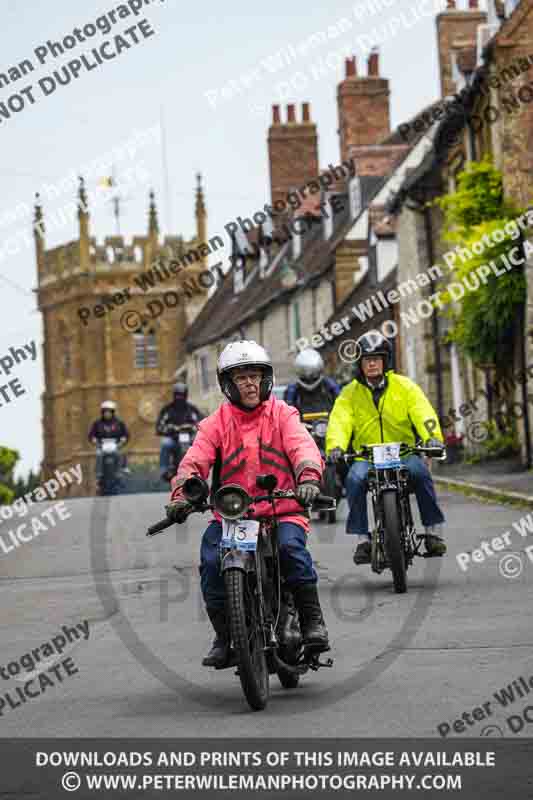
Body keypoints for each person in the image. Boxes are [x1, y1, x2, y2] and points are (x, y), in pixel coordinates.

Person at [168, 340, 329, 667]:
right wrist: (183, 494)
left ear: (265, 378)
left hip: (281, 509)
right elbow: (193, 462)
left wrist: (308, 477)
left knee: (291, 551)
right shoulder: (215, 423)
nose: (250, 383)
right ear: (228, 384)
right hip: (232, 516)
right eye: (241, 377)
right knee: (211, 561)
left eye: (255, 375)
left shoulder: (283, 414)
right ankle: (225, 636)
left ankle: (313, 621)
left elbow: (303, 447)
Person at [326, 332, 446, 565]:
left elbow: (424, 413)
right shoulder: (349, 393)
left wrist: (432, 437)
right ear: (359, 364)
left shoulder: (405, 387)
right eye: (366, 359)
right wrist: (335, 446)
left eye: (376, 358)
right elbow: (339, 421)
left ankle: (432, 533)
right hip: (367, 456)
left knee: (421, 473)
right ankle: (363, 540)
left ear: (386, 360)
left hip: (403, 453)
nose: (371, 363)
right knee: (353, 479)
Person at [156, 382, 204, 480]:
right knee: (165, 443)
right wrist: (171, 428)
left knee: (200, 445)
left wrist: (192, 427)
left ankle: (200, 470)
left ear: (185, 395)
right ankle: (164, 470)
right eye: (177, 395)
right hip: (173, 438)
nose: (179, 397)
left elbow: (202, 423)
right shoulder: (167, 410)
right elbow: (159, 426)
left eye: (181, 395)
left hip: (189, 438)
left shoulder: (192, 409)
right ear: (174, 395)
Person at [284, 348, 340, 415]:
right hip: (300, 424)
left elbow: (341, 405)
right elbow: (286, 411)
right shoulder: (292, 389)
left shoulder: (330, 385)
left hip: (328, 423)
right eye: (305, 371)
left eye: (313, 375)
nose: (309, 377)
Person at [88, 401, 129, 479]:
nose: (107, 414)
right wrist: (94, 441)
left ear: (112, 413)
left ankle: (120, 470)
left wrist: (123, 440)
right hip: (101, 445)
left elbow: (126, 434)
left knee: (120, 454)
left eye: (109, 412)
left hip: (116, 444)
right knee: (99, 455)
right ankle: (98, 472)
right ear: (102, 412)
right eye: (105, 412)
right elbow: (91, 435)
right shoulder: (97, 423)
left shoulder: (119, 423)